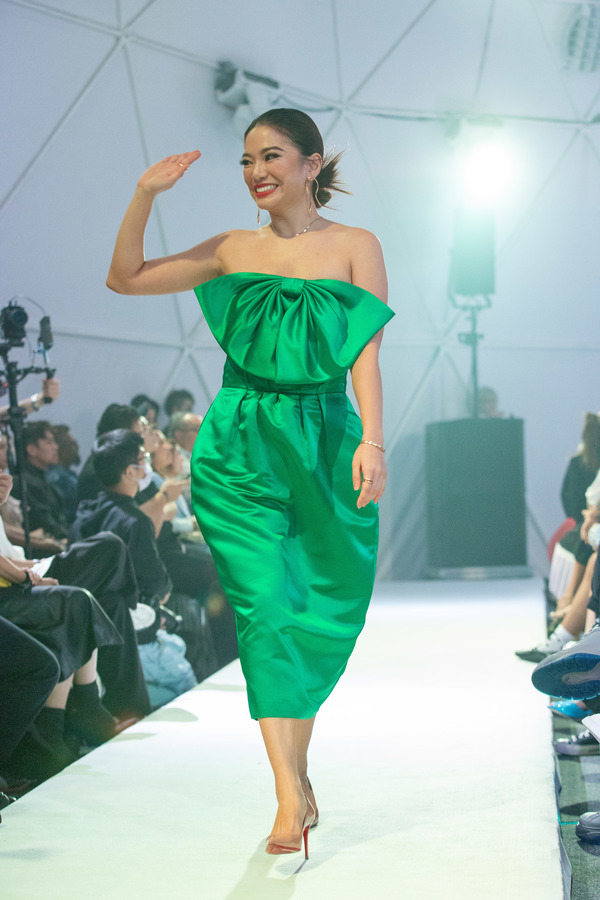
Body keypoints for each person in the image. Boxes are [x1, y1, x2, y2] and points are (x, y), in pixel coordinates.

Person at [107, 107, 394, 856]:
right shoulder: (233, 247)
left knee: (313, 610)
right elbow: (125, 277)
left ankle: (296, 780)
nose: (255, 171)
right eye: (245, 160)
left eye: (271, 156)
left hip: (326, 441)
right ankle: (287, 794)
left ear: (310, 163)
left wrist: (372, 438)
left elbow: (365, 352)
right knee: (266, 607)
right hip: (239, 446)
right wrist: (145, 193)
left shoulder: (357, 246)